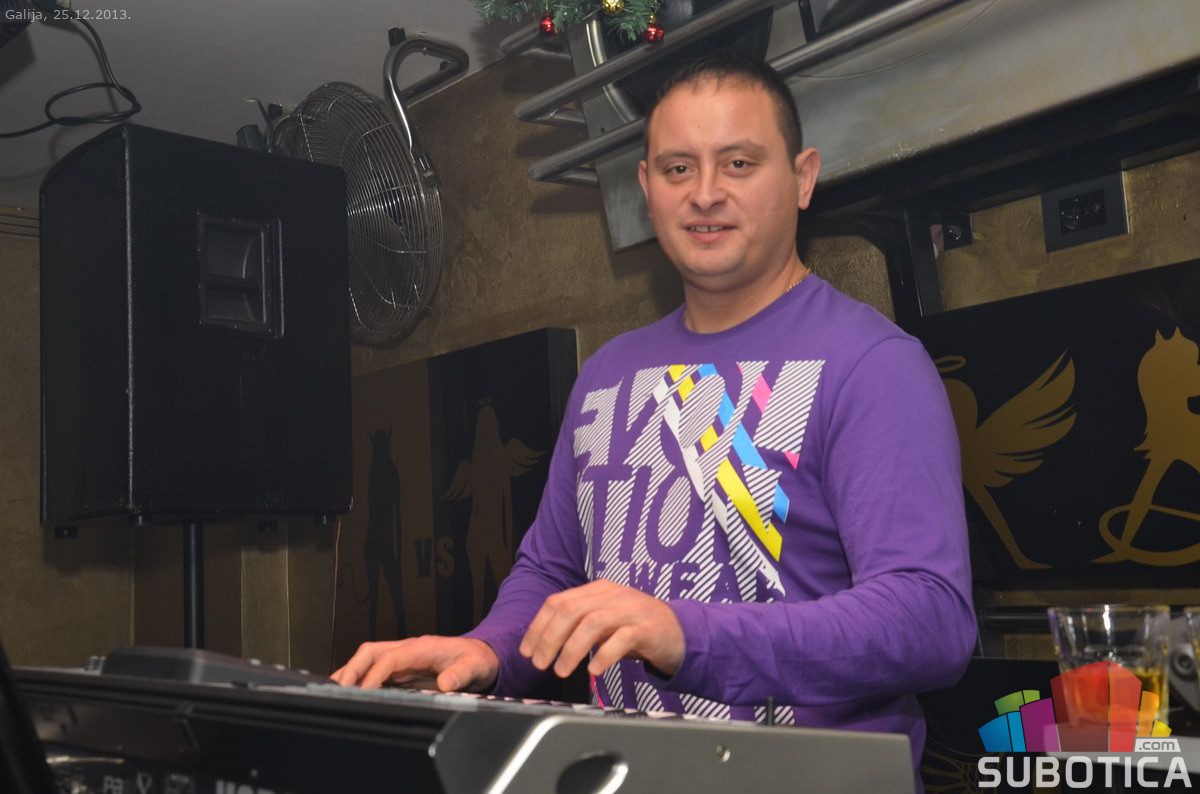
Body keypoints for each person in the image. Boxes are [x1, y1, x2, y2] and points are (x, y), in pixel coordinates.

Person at [333, 50, 976, 786]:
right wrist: (487, 651)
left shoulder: (871, 364)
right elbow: (551, 570)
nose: (705, 193)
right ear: (646, 189)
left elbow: (930, 619)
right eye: (678, 168)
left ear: (802, 179)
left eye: (739, 163)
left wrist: (683, 632)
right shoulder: (608, 374)